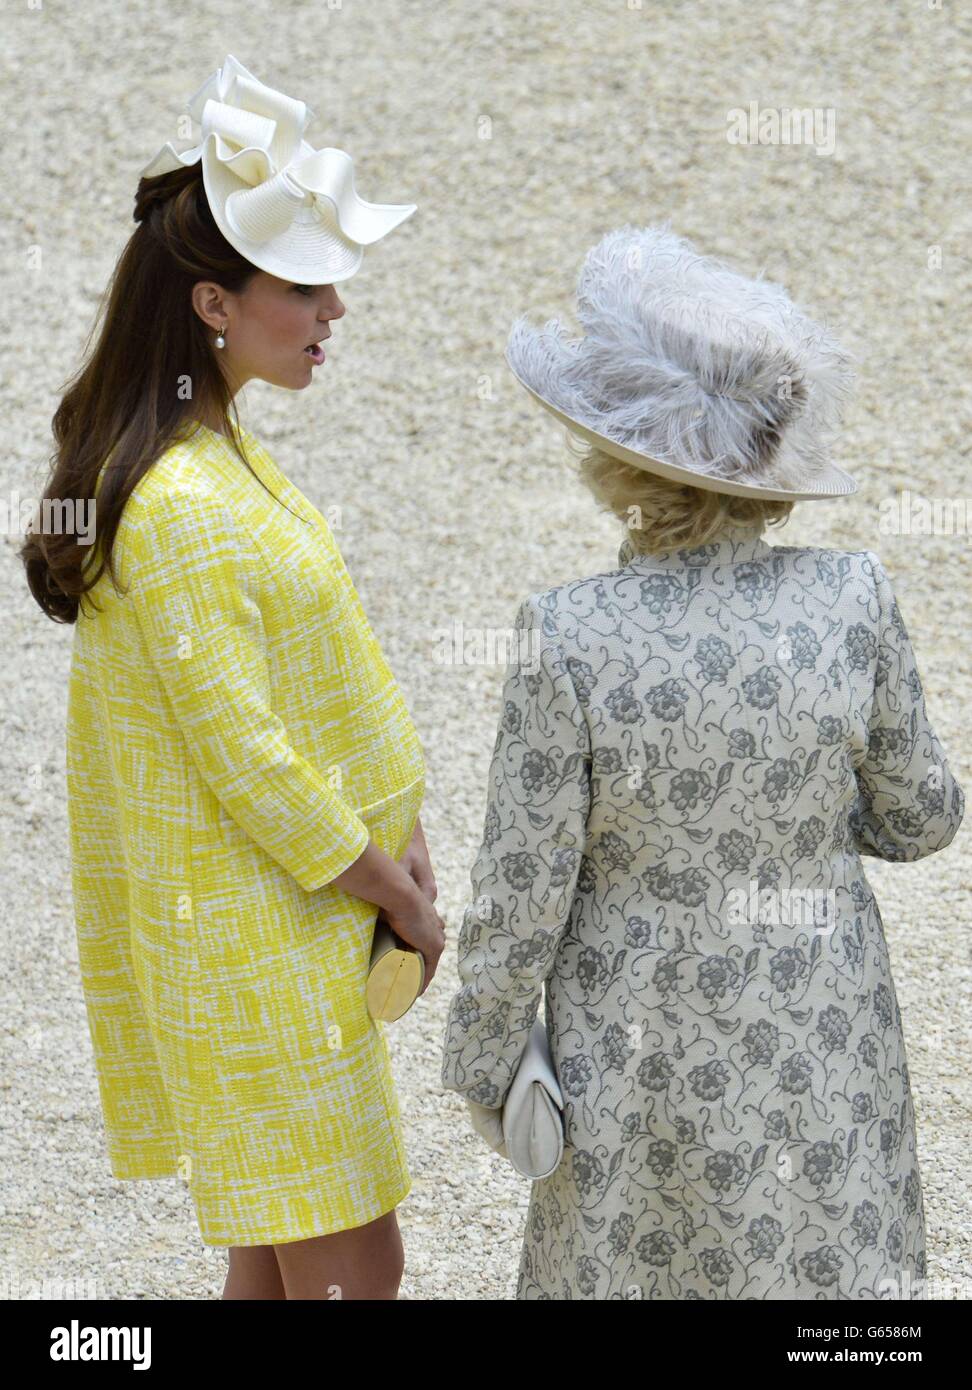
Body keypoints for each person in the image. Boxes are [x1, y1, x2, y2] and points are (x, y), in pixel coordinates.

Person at [440, 224, 965, 1300]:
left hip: (636, 1047)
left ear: (618, 454)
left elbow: (519, 890)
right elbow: (922, 817)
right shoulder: (853, 596)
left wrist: (486, 1061)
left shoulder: (567, 634)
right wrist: (811, 814)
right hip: (820, 1028)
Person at [21, 55, 445, 1300]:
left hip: (273, 938)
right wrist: (401, 895)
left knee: (272, 1262)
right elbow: (249, 757)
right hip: (257, 948)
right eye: (304, 287)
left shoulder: (208, 455)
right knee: (359, 1264)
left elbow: (318, 687)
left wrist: (403, 830)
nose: (333, 313)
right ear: (214, 303)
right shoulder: (183, 504)